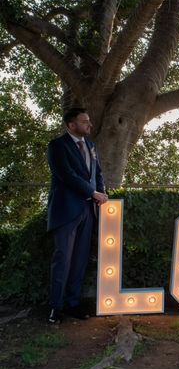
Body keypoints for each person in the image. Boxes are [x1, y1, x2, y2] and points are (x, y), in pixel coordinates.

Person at [46, 108, 108, 324]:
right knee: (62, 260)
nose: (89, 125)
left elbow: (96, 173)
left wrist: (101, 192)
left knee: (79, 261)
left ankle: (73, 304)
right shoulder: (57, 146)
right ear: (71, 125)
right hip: (66, 211)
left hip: (88, 211)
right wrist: (92, 192)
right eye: (84, 121)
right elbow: (66, 175)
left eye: (89, 121)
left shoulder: (90, 145)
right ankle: (55, 308)